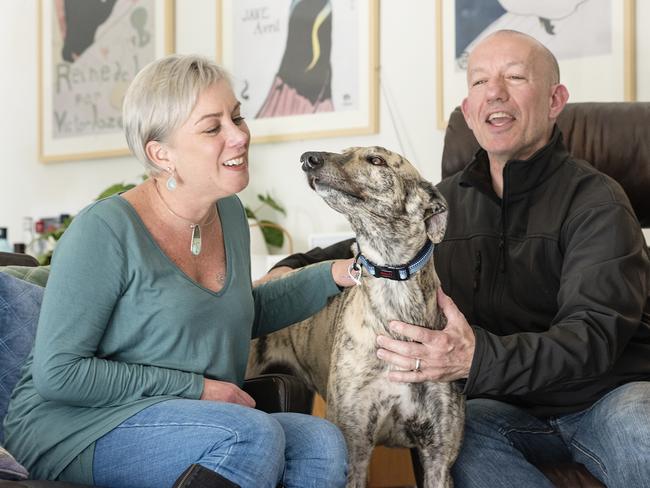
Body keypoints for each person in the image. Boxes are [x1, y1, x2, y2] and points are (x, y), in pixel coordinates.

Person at [266, 30, 650, 487]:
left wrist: (476, 358)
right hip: (502, 407)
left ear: (554, 100)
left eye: (515, 76)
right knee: (460, 440)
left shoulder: (598, 201)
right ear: (468, 111)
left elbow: (592, 336)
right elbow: (367, 244)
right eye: (479, 82)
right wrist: (290, 266)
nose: (495, 93)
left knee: (640, 427)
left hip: (604, 397)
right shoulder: (439, 202)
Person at [3, 54, 356, 488]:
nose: (239, 136)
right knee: (248, 435)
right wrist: (200, 389)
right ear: (161, 153)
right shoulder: (106, 230)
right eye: (213, 128)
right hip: (77, 428)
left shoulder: (228, 214)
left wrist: (339, 272)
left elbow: (237, 310)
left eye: (238, 117)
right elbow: (60, 373)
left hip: (186, 416)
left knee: (320, 440)